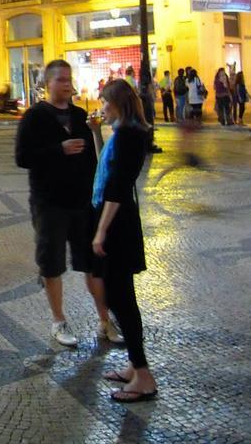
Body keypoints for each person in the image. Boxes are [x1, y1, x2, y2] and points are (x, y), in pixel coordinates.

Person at [14, 59, 121, 348]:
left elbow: (92, 159)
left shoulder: (79, 114)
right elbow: (22, 158)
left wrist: (95, 133)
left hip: (81, 202)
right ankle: (58, 321)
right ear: (47, 84)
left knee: (92, 263)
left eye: (68, 79)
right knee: (52, 264)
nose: (65, 84)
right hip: (49, 203)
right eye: (60, 79)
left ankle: (104, 321)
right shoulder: (34, 117)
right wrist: (57, 150)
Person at [88, 79, 157, 403]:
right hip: (115, 219)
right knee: (120, 296)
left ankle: (143, 376)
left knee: (120, 298)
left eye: (104, 102)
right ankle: (134, 365)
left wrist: (101, 231)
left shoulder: (130, 136)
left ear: (117, 103)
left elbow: (116, 187)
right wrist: (95, 133)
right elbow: (106, 167)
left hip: (118, 224)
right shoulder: (122, 134)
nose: (101, 107)